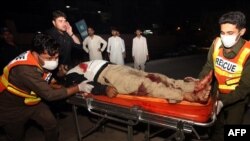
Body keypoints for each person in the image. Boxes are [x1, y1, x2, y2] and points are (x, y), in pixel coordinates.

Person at [0, 33, 93, 141]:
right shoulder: (25, 70)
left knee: (51, 124)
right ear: (35, 54)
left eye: (57, 57)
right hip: (11, 108)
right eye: (50, 58)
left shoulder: (41, 60)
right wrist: (78, 88)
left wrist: (61, 78)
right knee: (16, 137)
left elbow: (50, 81)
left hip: (32, 102)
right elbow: (50, 95)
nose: (54, 61)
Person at [197, 11, 250, 141]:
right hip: (216, 94)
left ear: (242, 32)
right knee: (216, 129)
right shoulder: (217, 43)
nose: (225, 36)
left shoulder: (248, 52)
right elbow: (209, 66)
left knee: (234, 132)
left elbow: (245, 87)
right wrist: (199, 83)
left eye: (230, 33)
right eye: (222, 32)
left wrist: (223, 102)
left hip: (237, 99)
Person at [65, 60, 213, 103]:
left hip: (115, 67)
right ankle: (185, 95)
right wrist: (103, 90)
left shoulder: (76, 64)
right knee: (146, 85)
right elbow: (83, 86)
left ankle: (192, 86)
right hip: (108, 76)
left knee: (157, 76)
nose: (62, 66)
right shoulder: (70, 75)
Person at [46, 10, 82, 78]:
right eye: (60, 21)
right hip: (54, 72)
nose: (64, 23)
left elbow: (79, 46)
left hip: (67, 69)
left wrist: (71, 33)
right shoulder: (49, 35)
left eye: (65, 21)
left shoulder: (67, 34)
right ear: (54, 23)